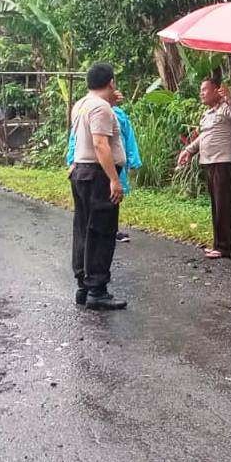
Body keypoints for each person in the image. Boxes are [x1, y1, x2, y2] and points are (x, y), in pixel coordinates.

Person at [69, 62, 128, 311]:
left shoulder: (82, 104)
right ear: (111, 82)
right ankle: (97, 290)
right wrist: (114, 179)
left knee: (83, 228)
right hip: (97, 175)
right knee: (102, 232)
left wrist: (111, 106)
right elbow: (100, 144)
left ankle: (84, 284)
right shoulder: (100, 107)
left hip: (81, 170)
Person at [67, 89, 141, 242]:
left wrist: (132, 160)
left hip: (91, 167)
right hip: (99, 169)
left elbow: (126, 137)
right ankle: (94, 262)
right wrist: (114, 179)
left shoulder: (108, 111)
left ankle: (84, 263)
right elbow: (98, 143)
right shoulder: (97, 109)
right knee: (98, 218)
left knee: (89, 218)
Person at [176, 78, 231, 259]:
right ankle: (218, 244)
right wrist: (188, 151)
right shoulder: (208, 113)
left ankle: (225, 246)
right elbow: (203, 137)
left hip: (223, 162)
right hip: (209, 162)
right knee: (216, 204)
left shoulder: (225, 108)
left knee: (223, 205)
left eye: (205, 89)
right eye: (201, 90)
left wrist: (230, 100)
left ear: (217, 90)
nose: (201, 93)